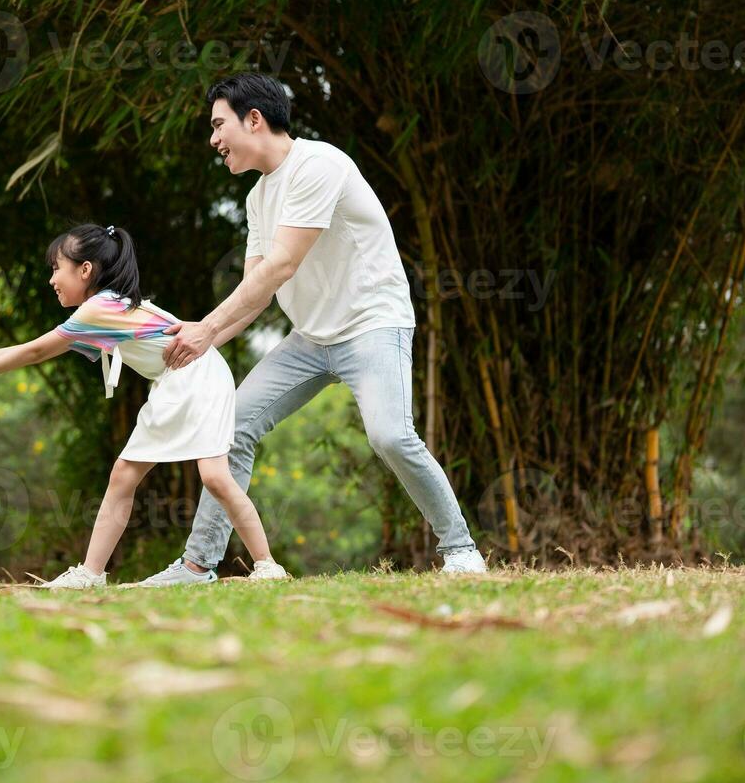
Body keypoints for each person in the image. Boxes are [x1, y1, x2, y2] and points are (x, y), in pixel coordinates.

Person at [141, 73, 487, 586]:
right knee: (230, 427)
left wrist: (205, 329)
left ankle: (461, 551)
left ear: (254, 119)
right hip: (310, 339)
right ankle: (197, 565)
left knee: (390, 434)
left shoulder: (318, 164)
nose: (213, 140)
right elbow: (253, 293)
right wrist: (193, 344)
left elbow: (279, 266)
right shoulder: (258, 199)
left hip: (372, 323)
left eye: (219, 125)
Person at [0, 223, 288, 588]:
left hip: (196, 377)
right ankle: (91, 573)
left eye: (56, 268)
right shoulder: (108, 305)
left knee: (215, 477)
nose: (51, 279)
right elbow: (34, 347)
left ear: (85, 270)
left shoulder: (100, 309)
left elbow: (37, 350)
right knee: (125, 475)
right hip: (183, 379)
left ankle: (267, 565)